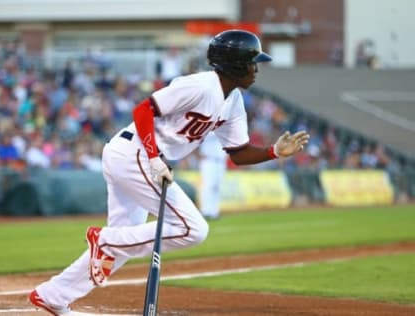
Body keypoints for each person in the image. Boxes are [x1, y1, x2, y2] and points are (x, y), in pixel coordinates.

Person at [29, 29, 310, 315]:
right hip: (135, 154)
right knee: (193, 229)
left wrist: (273, 151)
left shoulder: (234, 102)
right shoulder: (200, 86)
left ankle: (53, 295)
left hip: (139, 159)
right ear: (235, 64)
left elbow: (238, 153)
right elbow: (143, 110)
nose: (256, 70)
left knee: (126, 239)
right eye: (252, 62)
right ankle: (104, 240)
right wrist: (153, 157)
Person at [198, 131, 227, 220]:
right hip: (208, 160)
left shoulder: (223, 128)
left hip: (221, 161)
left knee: (217, 187)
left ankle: (214, 212)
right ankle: (205, 211)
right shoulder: (207, 129)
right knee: (208, 186)